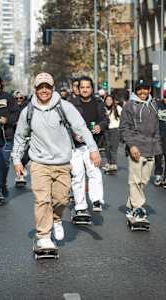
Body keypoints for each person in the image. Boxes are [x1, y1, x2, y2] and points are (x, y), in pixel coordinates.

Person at [11, 72, 100, 249]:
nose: (44, 90)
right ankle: (43, 236)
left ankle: (57, 218)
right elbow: (20, 137)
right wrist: (17, 160)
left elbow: (81, 128)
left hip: (62, 162)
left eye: (47, 87)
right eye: (40, 87)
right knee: (42, 200)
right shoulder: (27, 112)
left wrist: (93, 149)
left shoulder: (64, 107)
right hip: (39, 163)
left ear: (52, 88)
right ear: (35, 89)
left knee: (62, 200)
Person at [120, 80, 161, 222]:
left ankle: (132, 203)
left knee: (144, 180)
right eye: (140, 89)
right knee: (135, 180)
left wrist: (158, 147)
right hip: (136, 148)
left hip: (151, 148)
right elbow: (124, 128)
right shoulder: (130, 106)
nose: (143, 92)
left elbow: (157, 128)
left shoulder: (154, 105)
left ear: (149, 89)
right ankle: (138, 207)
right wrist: (131, 145)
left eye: (146, 89)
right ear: (136, 91)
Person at [69, 76, 108, 215]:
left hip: (93, 145)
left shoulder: (98, 103)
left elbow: (105, 120)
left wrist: (100, 126)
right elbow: (66, 124)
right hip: (75, 146)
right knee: (77, 175)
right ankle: (80, 207)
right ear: (78, 89)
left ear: (92, 89)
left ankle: (96, 200)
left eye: (88, 87)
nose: (85, 90)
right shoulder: (71, 104)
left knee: (94, 171)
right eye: (82, 87)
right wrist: (74, 135)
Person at [11, 91, 29, 185]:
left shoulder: (28, 108)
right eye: (16, 98)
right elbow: (10, 119)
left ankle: (22, 169)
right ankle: (20, 176)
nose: (18, 100)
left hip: (27, 134)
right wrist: (15, 122)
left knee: (26, 155)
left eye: (20, 98)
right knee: (18, 155)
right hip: (15, 134)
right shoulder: (12, 107)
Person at [102, 94, 122, 172]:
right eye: (107, 100)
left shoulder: (117, 108)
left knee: (113, 147)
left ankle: (114, 164)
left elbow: (123, 118)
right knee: (107, 147)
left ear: (113, 101)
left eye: (110, 100)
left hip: (115, 130)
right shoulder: (103, 109)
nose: (108, 101)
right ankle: (109, 162)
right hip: (106, 130)